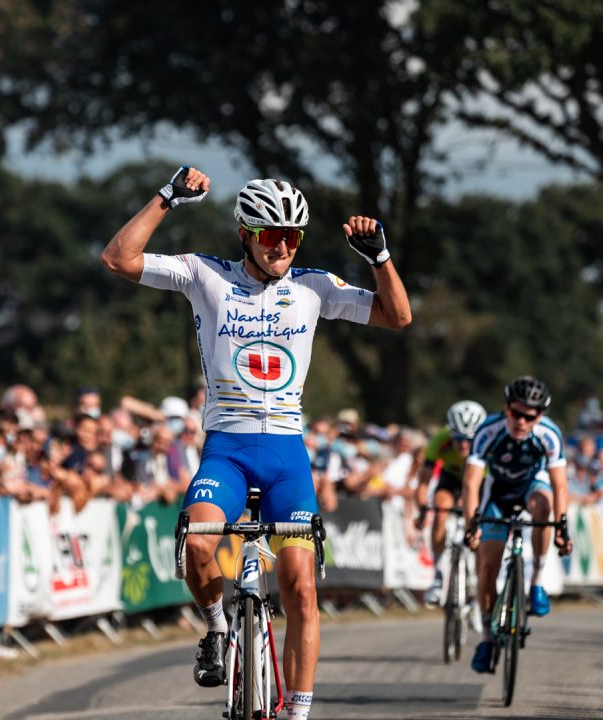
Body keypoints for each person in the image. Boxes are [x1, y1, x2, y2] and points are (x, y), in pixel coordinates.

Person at [100, 166, 410, 720]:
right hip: (228, 450)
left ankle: (298, 714)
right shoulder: (204, 276)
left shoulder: (314, 288)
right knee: (198, 545)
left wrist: (379, 257)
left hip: (287, 456)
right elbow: (118, 259)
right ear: (245, 234)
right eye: (270, 235)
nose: (282, 247)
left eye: (292, 236)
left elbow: (398, 316)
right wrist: (167, 197)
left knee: (301, 589)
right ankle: (217, 627)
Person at [463, 376, 572, 674]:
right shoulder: (488, 430)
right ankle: (486, 638)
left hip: (530, 486)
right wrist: (471, 525)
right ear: (506, 408)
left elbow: (560, 485)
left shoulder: (550, 434)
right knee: (487, 567)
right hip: (496, 492)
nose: (521, 421)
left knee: (544, 505)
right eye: (515, 412)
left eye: (530, 416)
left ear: (541, 416)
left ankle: (536, 583)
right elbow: (471, 483)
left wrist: (562, 528)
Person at [414, 400, 487, 606]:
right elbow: (423, 483)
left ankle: (479, 581)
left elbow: (487, 487)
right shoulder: (440, 440)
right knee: (440, 511)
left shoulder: (487, 442)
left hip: (480, 482)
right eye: (458, 439)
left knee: (478, 532)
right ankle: (437, 577)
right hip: (452, 480)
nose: (463, 445)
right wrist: (421, 511)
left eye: (469, 440)